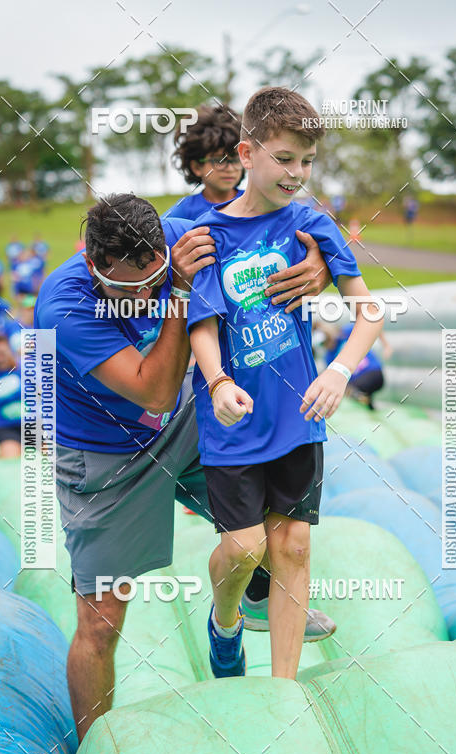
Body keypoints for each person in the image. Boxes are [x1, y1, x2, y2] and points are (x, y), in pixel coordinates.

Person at [34, 192, 334, 742]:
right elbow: (156, 388)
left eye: (157, 275)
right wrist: (175, 292)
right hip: (106, 457)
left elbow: (287, 207)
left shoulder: (181, 234)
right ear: (95, 263)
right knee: (100, 622)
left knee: (271, 526)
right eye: (132, 288)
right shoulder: (65, 305)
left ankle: (246, 604)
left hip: (185, 421)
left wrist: (319, 263)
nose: (144, 293)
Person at [186, 86, 383, 680]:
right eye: (284, 158)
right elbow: (201, 324)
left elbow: (368, 313)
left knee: (293, 545)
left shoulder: (313, 225)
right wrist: (218, 383)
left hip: (299, 413)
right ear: (246, 154)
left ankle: (283, 689)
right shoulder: (207, 235)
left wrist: (340, 369)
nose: (298, 173)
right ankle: (226, 623)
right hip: (234, 419)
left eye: (307, 160)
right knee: (245, 549)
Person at [164, 104, 245, 220]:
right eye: (219, 161)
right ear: (196, 167)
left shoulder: (257, 204)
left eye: (236, 160)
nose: (230, 168)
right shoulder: (184, 210)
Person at [323, 322, 392, 410]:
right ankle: (369, 406)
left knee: (350, 390)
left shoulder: (345, 332)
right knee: (351, 392)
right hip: (357, 382)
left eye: (328, 340)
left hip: (373, 372)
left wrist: (386, 345)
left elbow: (373, 324)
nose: (329, 345)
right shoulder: (328, 356)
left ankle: (363, 399)